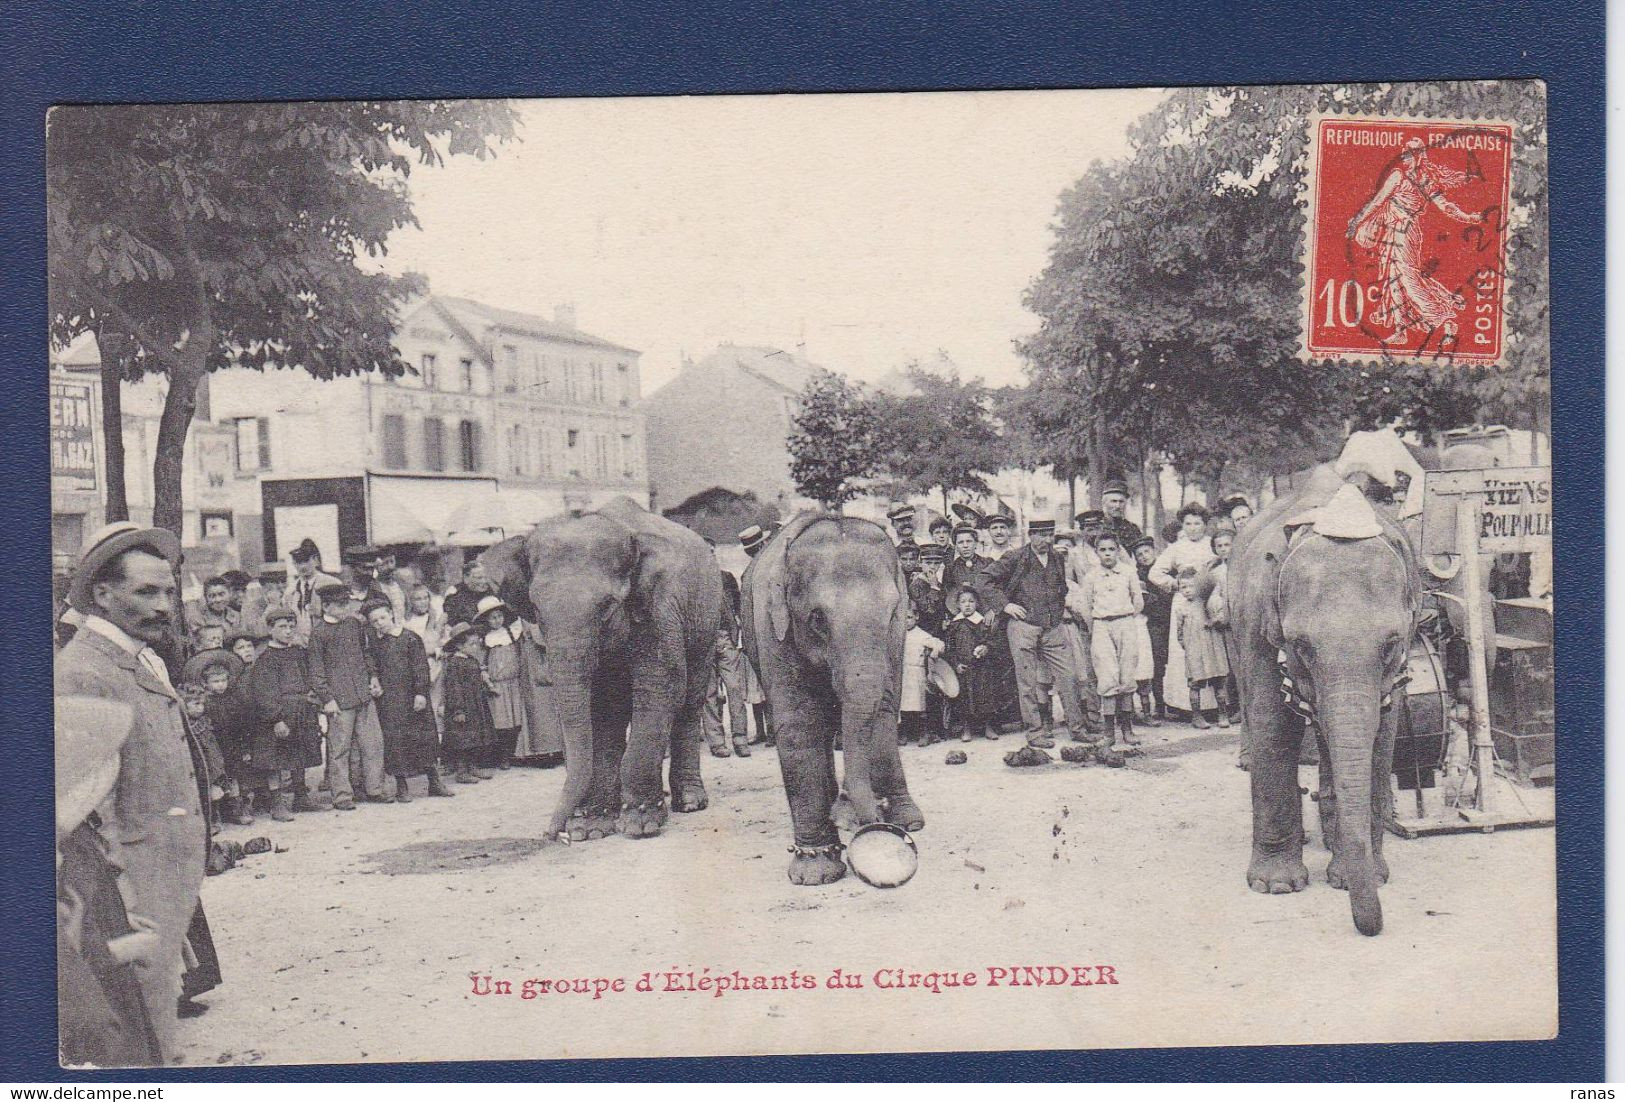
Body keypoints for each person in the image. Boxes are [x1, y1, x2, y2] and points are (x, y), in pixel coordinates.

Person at [54, 522, 206, 1063]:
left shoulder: (140, 658)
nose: (164, 605)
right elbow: (78, 814)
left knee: (157, 1021)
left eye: (168, 591)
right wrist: (125, 904)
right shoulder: (84, 673)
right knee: (133, 1040)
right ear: (102, 595)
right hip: (127, 896)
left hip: (161, 883)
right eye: (146, 592)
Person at [55, 695, 165, 1067]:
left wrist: (118, 918)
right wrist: (124, 949)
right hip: (92, 999)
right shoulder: (56, 852)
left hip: (108, 972)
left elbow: (87, 898)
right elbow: (60, 960)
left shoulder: (74, 836)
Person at [982, 517, 1091, 750]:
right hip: (1023, 627)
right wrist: (1005, 606)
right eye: (1040, 535)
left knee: (1069, 677)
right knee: (1027, 683)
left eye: (1049, 534)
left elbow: (1061, 588)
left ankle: (1078, 729)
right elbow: (985, 580)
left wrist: (1058, 612)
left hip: (1053, 628)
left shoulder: (1056, 557)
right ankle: (1034, 733)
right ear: (1030, 535)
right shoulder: (1015, 557)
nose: (1046, 540)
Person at [306, 584, 386, 809]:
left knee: (372, 744)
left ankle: (374, 789)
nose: (345, 608)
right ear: (326, 606)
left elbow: (366, 653)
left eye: (346, 603)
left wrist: (373, 677)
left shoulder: (354, 625)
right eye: (340, 604)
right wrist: (327, 699)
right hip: (339, 701)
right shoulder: (319, 633)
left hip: (363, 694)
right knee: (339, 749)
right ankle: (342, 796)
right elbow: (316, 671)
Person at [364, 599, 452, 801]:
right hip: (390, 700)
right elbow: (371, 664)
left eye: (382, 617)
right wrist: (374, 678)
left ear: (391, 615)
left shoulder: (410, 638)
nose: (379, 623)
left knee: (424, 737)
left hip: (413, 697)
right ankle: (402, 785)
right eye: (374, 621)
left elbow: (421, 667)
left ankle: (434, 781)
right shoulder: (374, 644)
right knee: (395, 741)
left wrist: (421, 692)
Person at [1069, 533, 1145, 755]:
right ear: (1097, 552)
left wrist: (1126, 618)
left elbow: (1138, 600)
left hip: (1125, 623)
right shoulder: (1091, 576)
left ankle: (1128, 729)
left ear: (1118, 549)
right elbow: (1085, 605)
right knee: (1108, 678)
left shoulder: (1128, 572)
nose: (1108, 554)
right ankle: (1108, 733)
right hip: (1102, 625)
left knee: (1127, 676)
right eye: (1103, 550)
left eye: (1111, 549)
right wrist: (1096, 627)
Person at [244, 608, 325, 813]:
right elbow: (264, 693)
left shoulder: (298, 653)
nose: (288, 631)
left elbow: (308, 678)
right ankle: (277, 804)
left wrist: (312, 699)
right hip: (279, 714)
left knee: (299, 755)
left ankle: (301, 797)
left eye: (291, 626)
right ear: (270, 629)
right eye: (282, 627)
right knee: (277, 759)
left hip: (301, 710)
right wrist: (276, 719)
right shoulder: (266, 659)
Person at [1150, 504, 1216, 714]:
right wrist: (1176, 584)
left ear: (1205, 525)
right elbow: (1155, 573)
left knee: (1209, 649)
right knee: (1183, 650)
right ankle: (1183, 705)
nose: (1193, 528)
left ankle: (1213, 705)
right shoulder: (1177, 548)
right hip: (1183, 604)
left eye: (1198, 523)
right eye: (1188, 523)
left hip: (1208, 601)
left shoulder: (1211, 545)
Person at [703, 565, 751, 758]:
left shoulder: (725, 577)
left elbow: (737, 607)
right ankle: (717, 743)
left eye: (712, 552)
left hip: (724, 639)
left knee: (735, 688)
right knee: (709, 694)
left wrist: (735, 636)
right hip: (703, 642)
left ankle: (740, 740)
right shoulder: (693, 579)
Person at [1174, 567, 1230, 728]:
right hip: (1195, 651)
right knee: (1195, 683)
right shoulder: (1181, 609)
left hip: (1213, 648)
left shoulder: (1210, 604)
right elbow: (1180, 634)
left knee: (1219, 682)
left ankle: (1222, 713)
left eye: (1191, 586)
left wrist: (1213, 621)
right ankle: (1197, 716)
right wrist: (1189, 647)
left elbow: (1223, 617)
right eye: (1183, 587)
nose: (1187, 590)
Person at [477, 595, 527, 770]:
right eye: (492, 618)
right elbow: (481, 665)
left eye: (499, 616)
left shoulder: (512, 634)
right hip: (498, 687)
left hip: (514, 684)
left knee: (516, 722)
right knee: (501, 723)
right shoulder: (486, 640)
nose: (497, 620)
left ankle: (514, 753)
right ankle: (501, 756)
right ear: (486, 620)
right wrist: (489, 683)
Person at [440, 622, 495, 783]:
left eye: (476, 643)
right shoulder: (454, 664)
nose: (475, 647)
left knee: (475, 738)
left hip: (475, 705)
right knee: (463, 740)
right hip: (463, 707)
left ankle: (473, 767)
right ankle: (462, 771)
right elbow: (453, 689)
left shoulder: (472, 660)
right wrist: (458, 710)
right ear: (459, 645)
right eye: (471, 644)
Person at [942, 585, 999, 742]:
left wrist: (985, 647)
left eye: (971, 601)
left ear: (977, 604)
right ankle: (966, 728)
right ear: (958, 605)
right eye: (963, 602)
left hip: (982, 667)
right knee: (964, 698)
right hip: (963, 668)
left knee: (985, 695)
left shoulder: (982, 623)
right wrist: (955, 664)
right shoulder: (954, 625)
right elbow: (949, 648)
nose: (967, 605)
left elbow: (991, 641)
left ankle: (988, 726)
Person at [738, 525, 773, 745]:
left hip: (763, 636)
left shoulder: (767, 571)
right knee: (756, 687)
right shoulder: (749, 575)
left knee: (766, 687)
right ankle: (763, 731)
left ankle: (770, 731)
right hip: (755, 636)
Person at [1131, 536, 1170, 723]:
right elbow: (1142, 602)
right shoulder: (1138, 576)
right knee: (1157, 664)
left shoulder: (1165, 570)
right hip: (1154, 624)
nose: (1144, 556)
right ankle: (1160, 705)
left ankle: (1175, 703)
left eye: (1147, 552)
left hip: (1171, 620)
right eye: (1139, 554)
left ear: (1154, 551)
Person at [899, 605, 945, 746]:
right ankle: (903, 733)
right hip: (901, 673)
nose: (906, 621)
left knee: (919, 704)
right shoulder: (897, 634)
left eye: (909, 617)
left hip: (916, 673)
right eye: (902, 618)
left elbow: (939, 643)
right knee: (902, 706)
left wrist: (935, 650)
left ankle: (923, 733)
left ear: (917, 617)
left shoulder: (921, 635)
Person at [285, 540, 340, 645]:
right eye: (298, 562)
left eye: (306, 561)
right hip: (300, 646)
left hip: (328, 644)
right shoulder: (290, 591)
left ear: (315, 560)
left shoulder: (332, 583)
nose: (302, 567)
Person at [184, 576, 240, 649]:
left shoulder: (236, 616)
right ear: (206, 598)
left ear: (229, 593)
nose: (218, 600)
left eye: (221, 594)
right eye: (212, 596)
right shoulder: (198, 620)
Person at [442, 559, 496, 627]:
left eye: (485, 577)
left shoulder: (487, 589)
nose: (484, 581)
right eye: (479, 578)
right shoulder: (454, 594)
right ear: (466, 578)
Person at [1099, 479, 1145, 548]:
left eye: (1121, 502)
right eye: (1113, 501)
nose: (1118, 506)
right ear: (1104, 503)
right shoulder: (1098, 528)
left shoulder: (1133, 530)